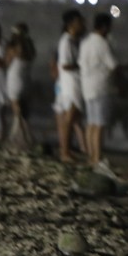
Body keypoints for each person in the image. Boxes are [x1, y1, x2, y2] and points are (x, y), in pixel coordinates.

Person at [78, 12, 118, 165]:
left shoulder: (85, 42)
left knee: (91, 123)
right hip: (101, 86)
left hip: (87, 87)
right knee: (99, 125)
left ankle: (91, 156)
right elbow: (113, 65)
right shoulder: (102, 43)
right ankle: (97, 157)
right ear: (105, 27)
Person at [52, 9, 86, 163]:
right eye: (80, 22)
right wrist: (83, 66)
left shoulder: (73, 40)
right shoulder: (66, 41)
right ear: (71, 24)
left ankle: (66, 150)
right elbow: (65, 65)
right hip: (70, 83)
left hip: (73, 82)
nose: (83, 24)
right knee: (69, 118)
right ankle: (65, 152)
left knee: (72, 117)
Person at [2, 22, 36, 150]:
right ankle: (25, 135)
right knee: (24, 109)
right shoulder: (30, 48)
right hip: (26, 78)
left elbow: (6, 62)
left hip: (15, 77)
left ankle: (21, 136)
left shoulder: (13, 47)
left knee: (16, 108)